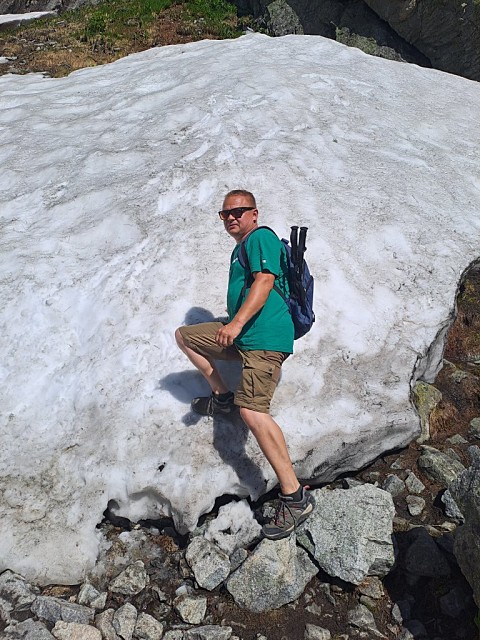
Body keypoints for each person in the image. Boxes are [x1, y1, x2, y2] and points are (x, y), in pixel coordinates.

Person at [175, 189, 315, 540]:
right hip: (245, 336)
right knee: (186, 337)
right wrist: (234, 326)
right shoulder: (241, 248)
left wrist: (235, 324)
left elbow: (265, 282)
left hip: (265, 340)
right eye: (226, 213)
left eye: (239, 211)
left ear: (255, 213)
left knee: (253, 411)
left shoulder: (261, 237)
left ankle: (295, 496)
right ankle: (222, 397)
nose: (232, 217)